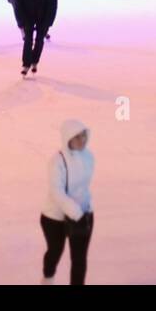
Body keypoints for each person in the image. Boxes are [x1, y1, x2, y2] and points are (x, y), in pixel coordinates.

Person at [40, 119, 95, 285]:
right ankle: (48, 278)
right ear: (67, 138)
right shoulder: (57, 162)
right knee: (55, 251)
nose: (82, 140)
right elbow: (57, 192)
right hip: (54, 217)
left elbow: (83, 187)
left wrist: (84, 211)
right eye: (77, 137)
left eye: (84, 135)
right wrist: (75, 212)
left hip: (83, 215)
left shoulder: (89, 157)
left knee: (79, 259)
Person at [17, 0, 58, 77]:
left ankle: (34, 62)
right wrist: (21, 20)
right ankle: (26, 65)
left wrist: (49, 21)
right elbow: (18, 4)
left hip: (43, 17)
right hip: (28, 17)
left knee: (39, 40)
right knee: (28, 40)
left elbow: (53, 5)